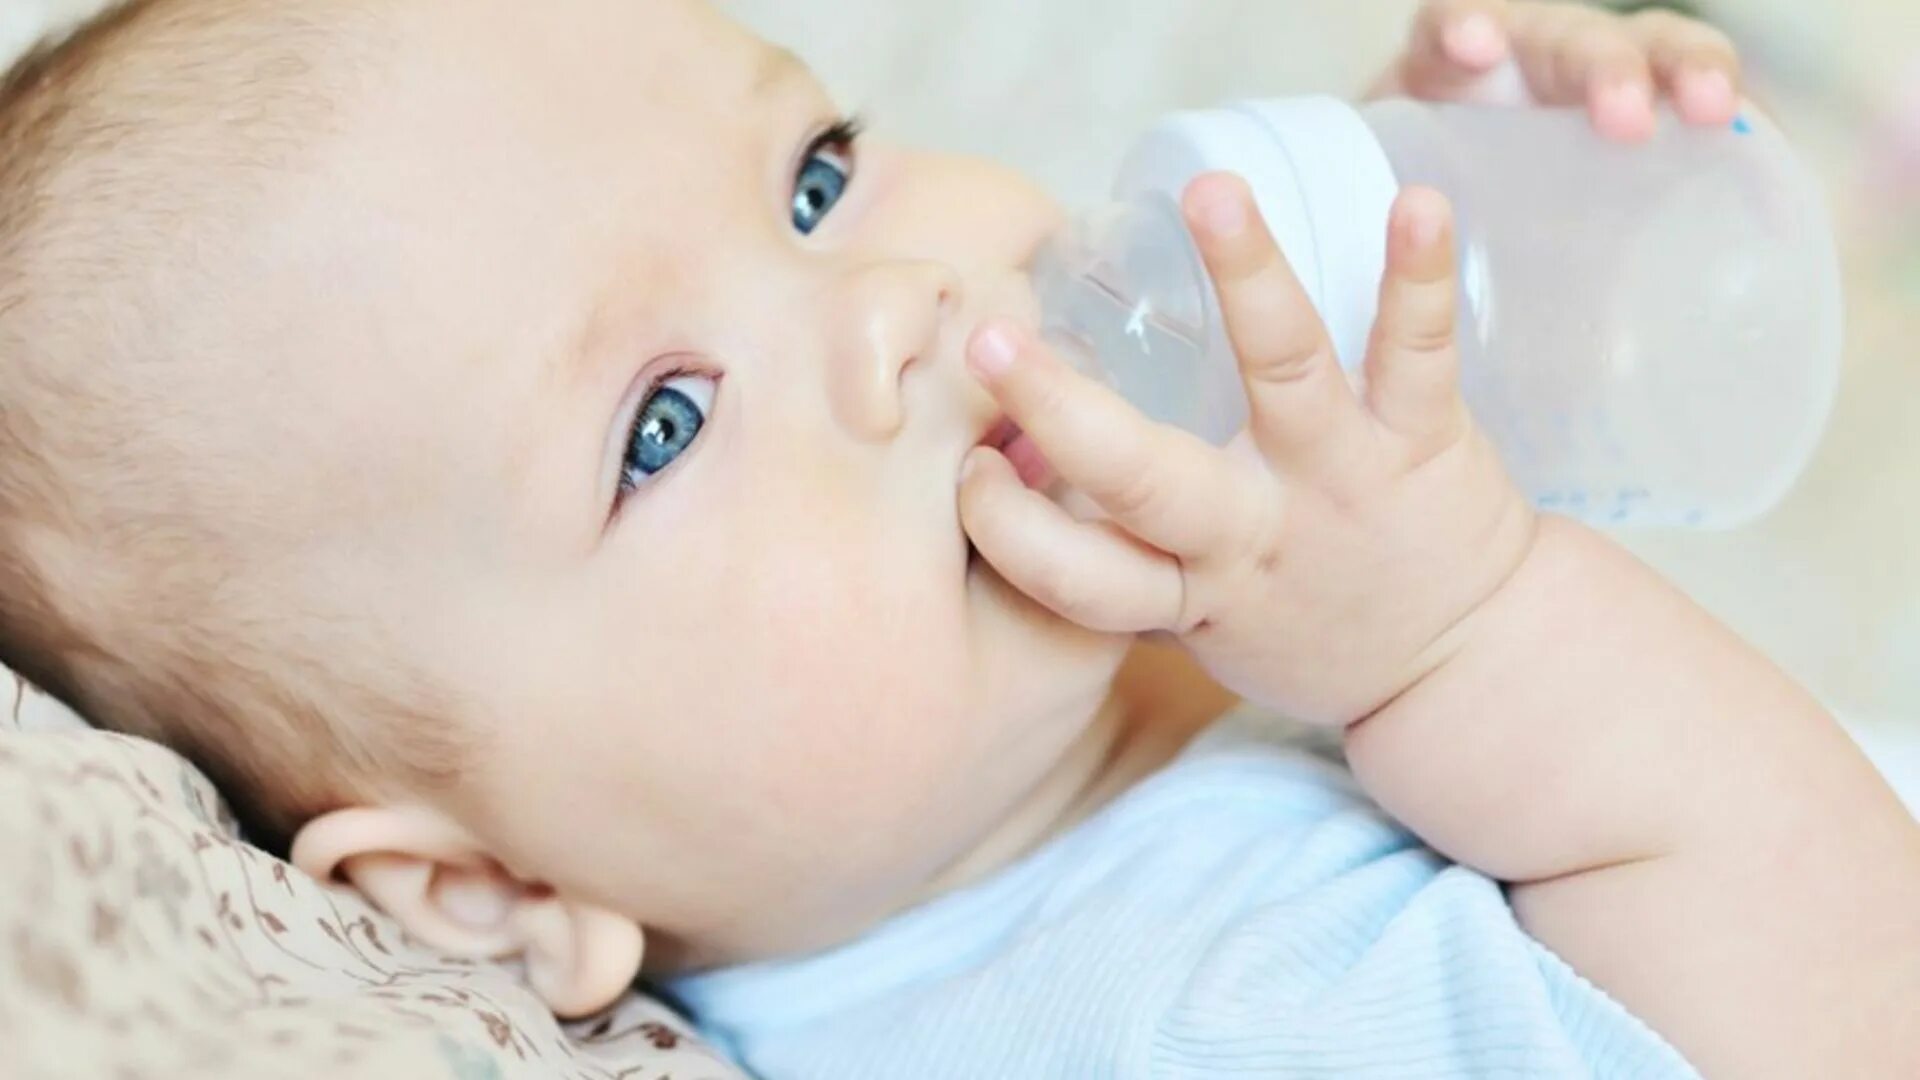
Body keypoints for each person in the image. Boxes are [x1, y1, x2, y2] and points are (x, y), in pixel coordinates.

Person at [0, 1, 1912, 1076]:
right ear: (487, 898)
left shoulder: (1083, 724)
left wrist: (1420, 252)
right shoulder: (1101, 1024)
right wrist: (1459, 635)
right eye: (661, 426)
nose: (892, 302)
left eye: (816, 176)